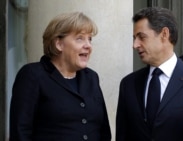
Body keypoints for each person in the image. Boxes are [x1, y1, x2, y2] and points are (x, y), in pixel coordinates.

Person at [116, 7, 183, 141]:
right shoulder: (128, 84)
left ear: (164, 34)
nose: (135, 45)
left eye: (141, 37)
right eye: (134, 38)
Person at [9, 12, 111, 141]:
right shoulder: (33, 75)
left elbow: (103, 132)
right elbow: (20, 132)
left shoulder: (91, 77)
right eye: (80, 38)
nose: (88, 45)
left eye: (90, 39)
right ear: (59, 44)